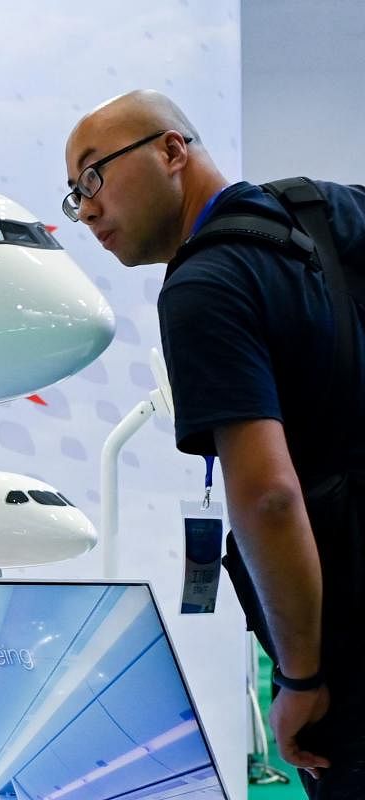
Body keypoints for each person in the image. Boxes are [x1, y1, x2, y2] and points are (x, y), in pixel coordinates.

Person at [63, 89, 365, 798]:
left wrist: (300, 678)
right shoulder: (327, 210)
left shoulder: (203, 286)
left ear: (172, 150)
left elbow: (268, 496)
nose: (85, 210)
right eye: (73, 194)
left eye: (94, 175)